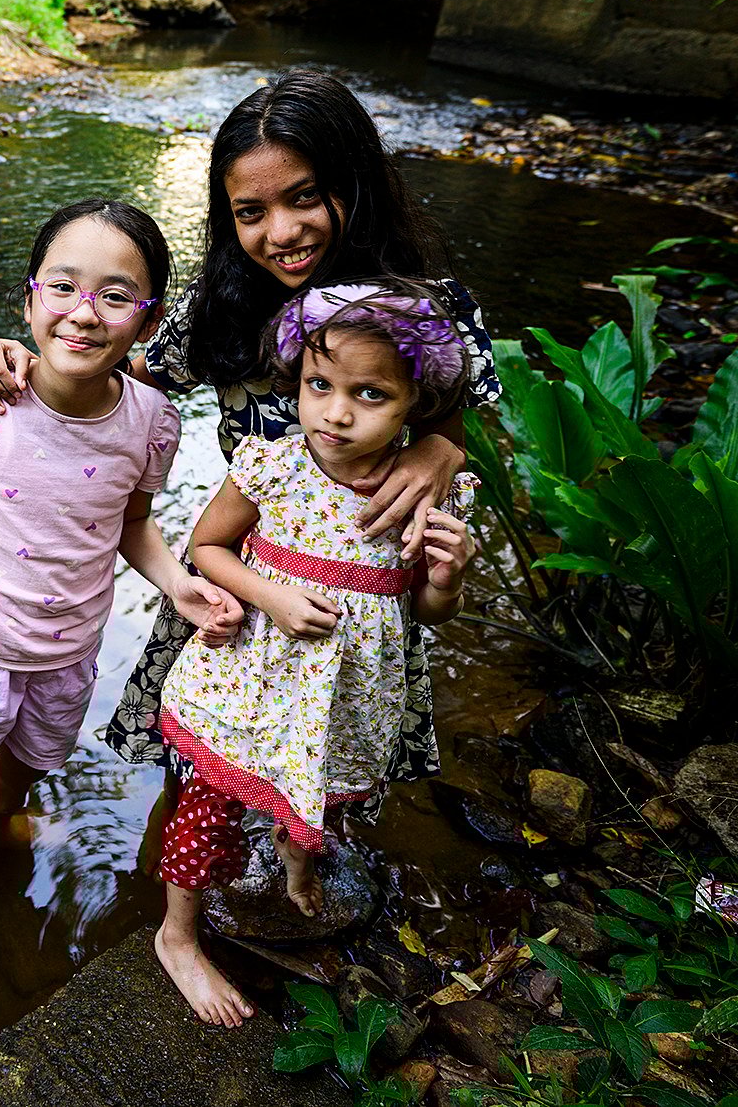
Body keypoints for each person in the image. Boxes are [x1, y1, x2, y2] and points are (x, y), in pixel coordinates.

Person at [0, 70, 500, 796]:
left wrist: (442, 444)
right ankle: (173, 902)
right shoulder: (222, 307)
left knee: (325, 776)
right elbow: (115, 369)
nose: (280, 232)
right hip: (233, 580)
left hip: (355, 598)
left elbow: (453, 417)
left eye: (305, 196)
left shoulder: (426, 312)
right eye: (250, 211)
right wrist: (21, 356)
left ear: (357, 182)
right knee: (199, 771)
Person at [0, 199, 242, 1011]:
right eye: (64, 287)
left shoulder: (152, 421)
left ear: (147, 318)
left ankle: (1, 826)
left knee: (21, 768)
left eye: (116, 296)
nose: (84, 314)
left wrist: (179, 583)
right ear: (28, 299)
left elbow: (132, 526)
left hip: (66, 650)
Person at [154, 280, 480, 1026]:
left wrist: (448, 576)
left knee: (323, 791)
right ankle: (175, 935)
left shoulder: (431, 493)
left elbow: (426, 612)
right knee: (207, 805)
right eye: (317, 385)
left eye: (368, 394)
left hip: (343, 695)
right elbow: (206, 545)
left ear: (415, 406)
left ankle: (298, 866)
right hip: (248, 679)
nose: (334, 412)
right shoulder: (272, 465)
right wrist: (271, 596)